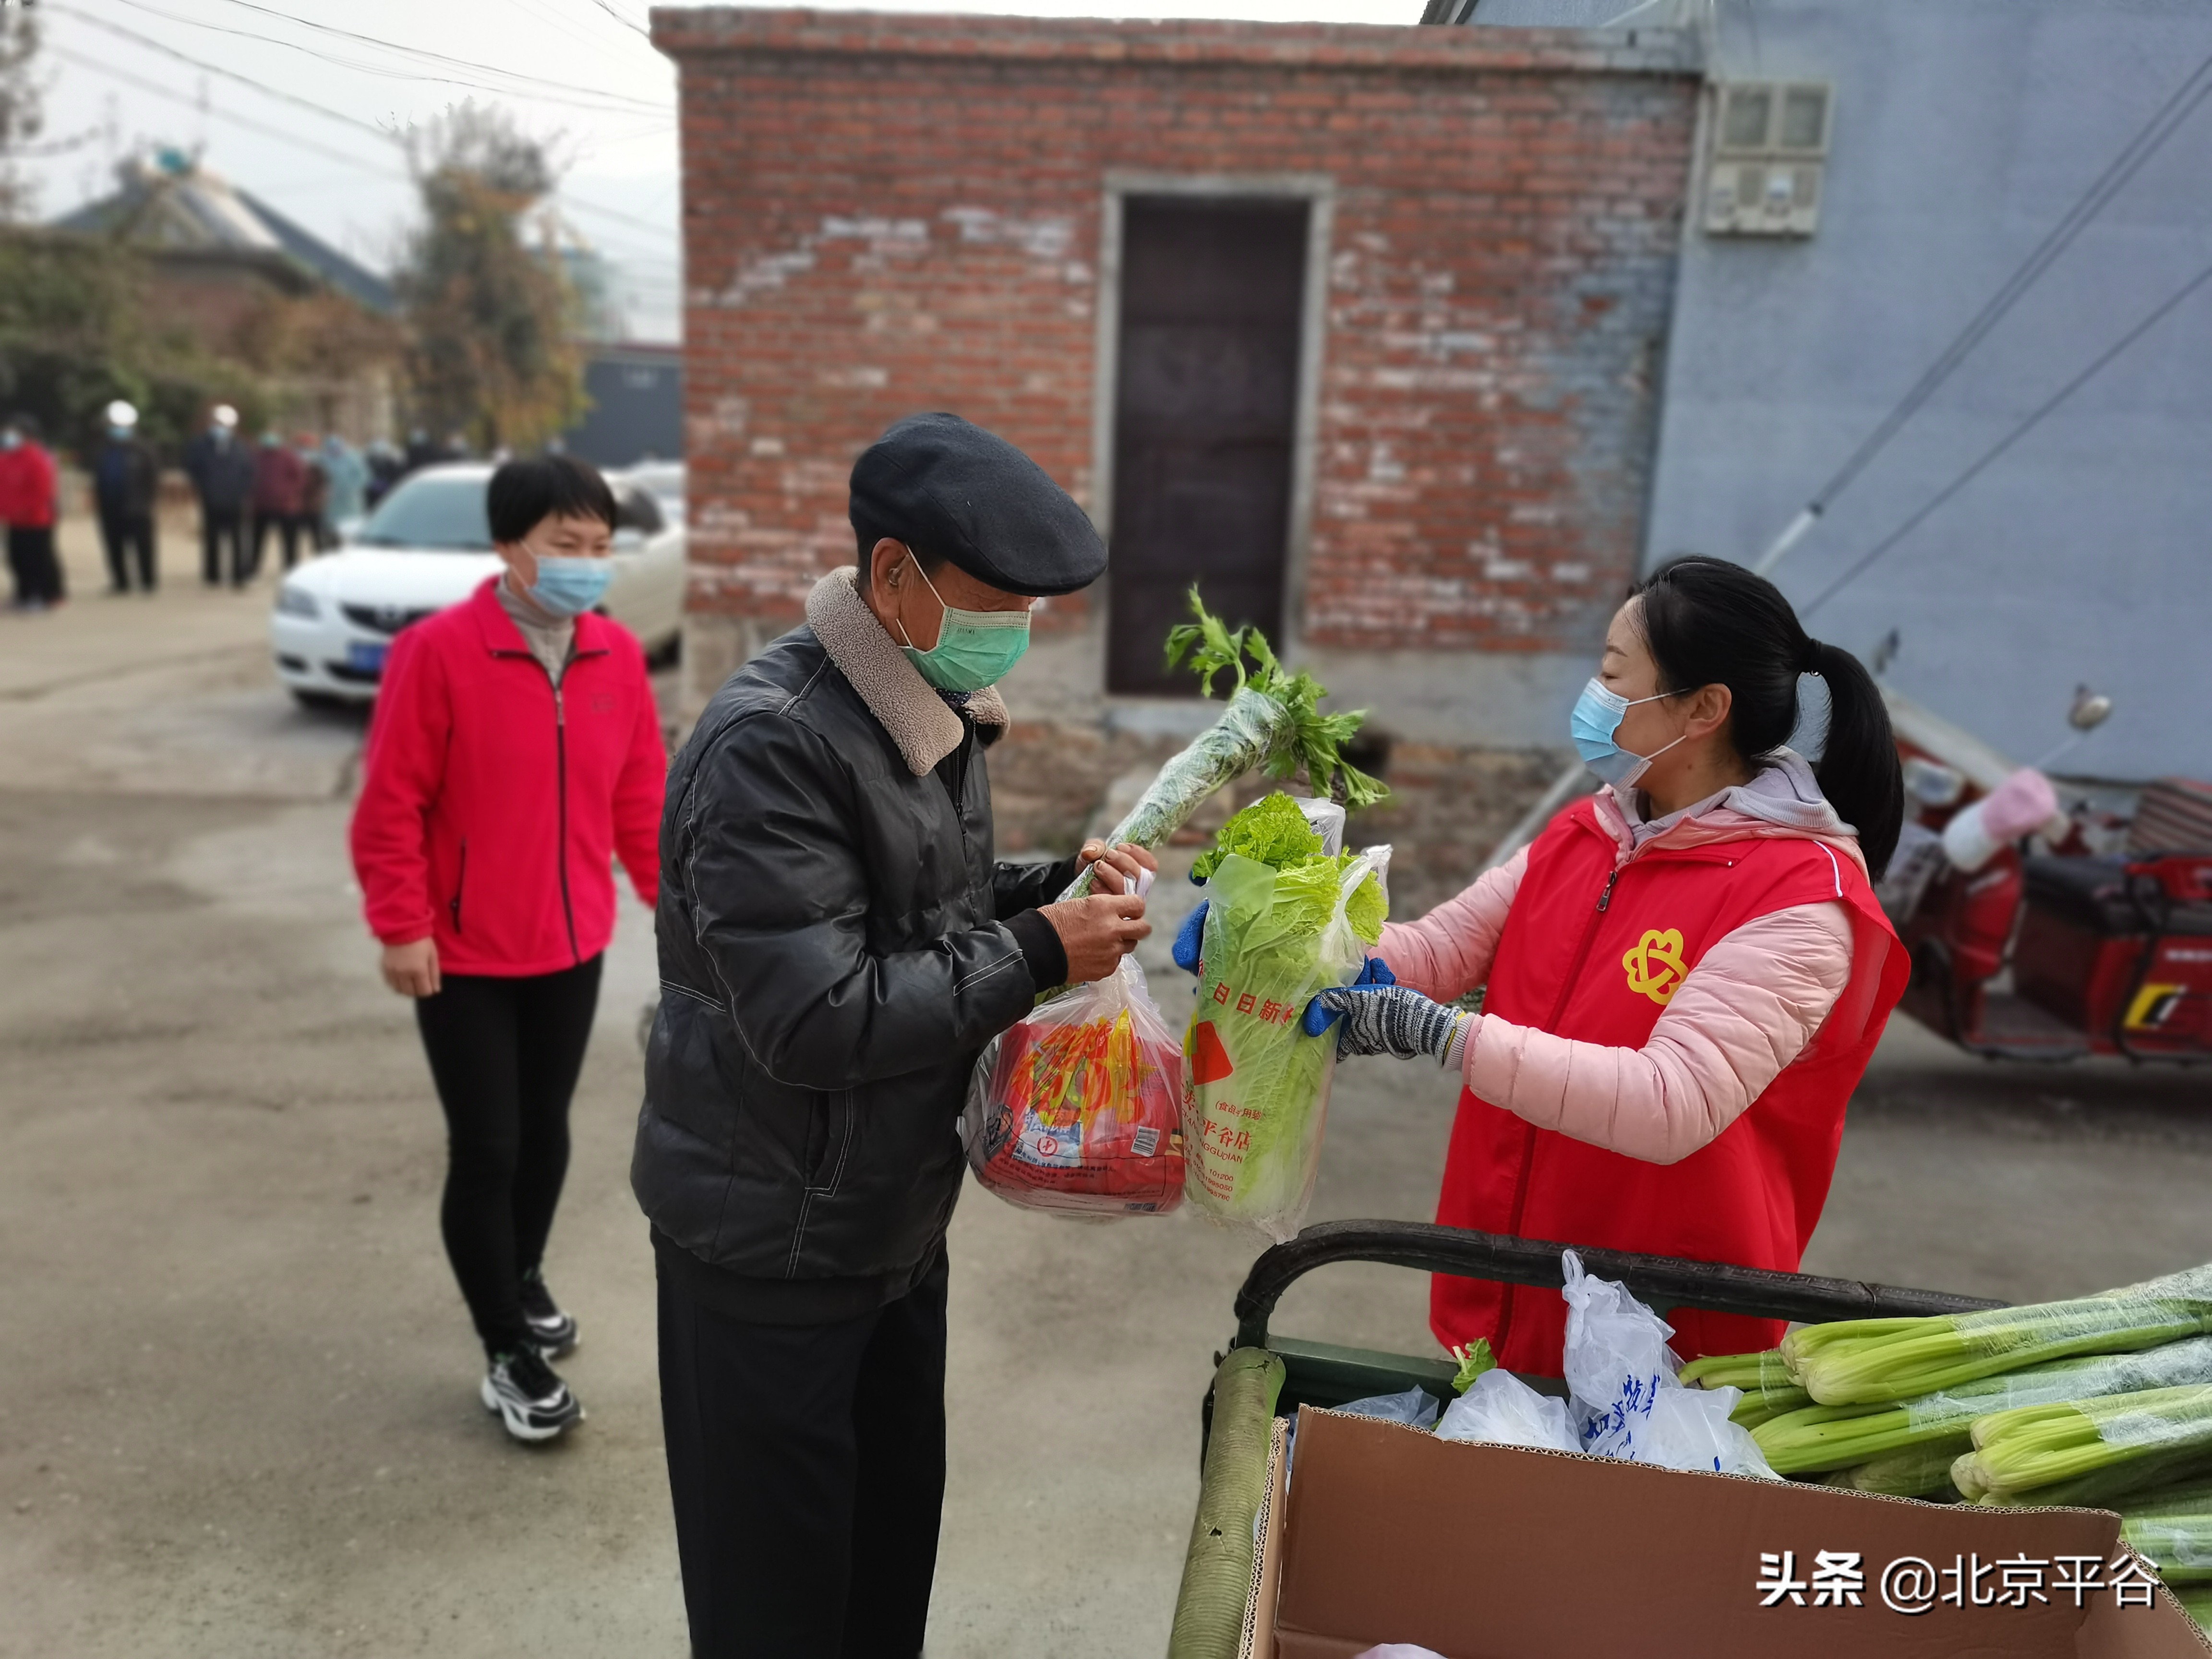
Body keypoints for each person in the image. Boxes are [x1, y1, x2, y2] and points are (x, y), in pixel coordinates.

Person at [634, 411, 1154, 1658]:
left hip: (885, 1230)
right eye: (998, 601)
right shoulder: (776, 742)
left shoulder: (924, 695)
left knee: (877, 1580)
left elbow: (919, 911)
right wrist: (1040, 957)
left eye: (1034, 608)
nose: (1018, 630)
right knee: (781, 1609)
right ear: (892, 580)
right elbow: (812, 1015)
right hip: (771, 1254)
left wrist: (1041, 890)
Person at [1304, 556, 1908, 1370]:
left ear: (1702, 709)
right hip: (1512, 1282)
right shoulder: (1591, 832)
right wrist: (1294, 943)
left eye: (1610, 674)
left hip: (1659, 1332)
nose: (1592, 696)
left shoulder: (1800, 900)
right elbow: (1438, 952)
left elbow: (1671, 1102)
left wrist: (1446, 1037)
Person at [349, 455, 667, 1444]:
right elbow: (390, 805)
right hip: (464, 954)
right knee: (488, 1147)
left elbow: (640, 803)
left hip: (570, 943)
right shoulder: (439, 653)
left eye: (601, 548)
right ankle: (505, 1352)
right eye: (563, 546)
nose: (586, 565)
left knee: (546, 1130)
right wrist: (401, 924)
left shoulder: (616, 654)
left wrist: (682, 914)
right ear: (506, 547)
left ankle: (521, 1277)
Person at [182, 404, 255, 586]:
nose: (220, 428)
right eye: (217, 423)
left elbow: (250, 472)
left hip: (235, 500)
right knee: (212, 539)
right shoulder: (200, 445)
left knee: (238, 539)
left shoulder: (241, 447)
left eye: (224, 424)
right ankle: (212, 575)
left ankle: (239, 575)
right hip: (210, 499)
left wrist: (241, 492)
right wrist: (204, 488)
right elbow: (192, 469)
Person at [92, 400, 159, 594]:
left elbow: (152, 479)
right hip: (110, 506)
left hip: (138, 507)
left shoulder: (144, 450)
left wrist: (147, 503)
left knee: (144, 547)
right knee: (114, 547)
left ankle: (148, 582)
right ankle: (121, 582)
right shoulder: (103, 449)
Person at [0, 413, 64, 611]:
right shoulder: (7, 459)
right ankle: (24, 594)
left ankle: (43, 596)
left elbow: (43, 491)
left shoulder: (38, 458)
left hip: (37, 520)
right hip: (14, 522)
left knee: (38, 560)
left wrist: (23, 510)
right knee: (17, 559)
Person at [248, 428, 307, 579]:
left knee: (290, 542)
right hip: (261, 506)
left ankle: (292, 569)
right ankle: (252, 569)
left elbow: (299, 479)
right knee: (256, 541)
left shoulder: (289, 456)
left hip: (286, 507)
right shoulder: (256, 456)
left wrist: (288, 494)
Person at [317, 433, 369, 542]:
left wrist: (352, 488)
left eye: (337, 447)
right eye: (332, 448)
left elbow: (364, 477)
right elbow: (318, 478)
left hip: (351, 500)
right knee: (331, 529)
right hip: (331, 500)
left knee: (351, 527)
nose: (335, 450)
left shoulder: (353, 458)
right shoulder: (323, 460)